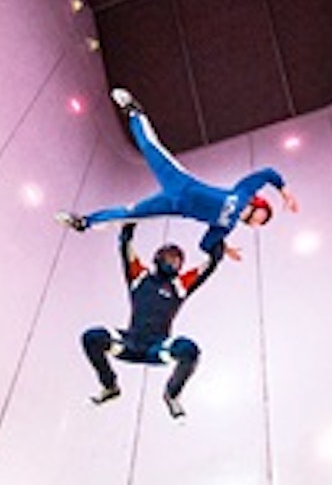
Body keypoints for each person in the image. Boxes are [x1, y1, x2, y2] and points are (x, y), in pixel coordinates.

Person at [57, 88, 298, 260]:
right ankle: (134, 112)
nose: (259, 222)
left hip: (175, 206)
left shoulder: (226, 227)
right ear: (259, 206)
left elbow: (204, 244)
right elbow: (268, 172)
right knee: (151, 148)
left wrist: (224, 249)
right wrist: (286, 194)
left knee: (130, 214)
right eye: (263, 217)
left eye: (261, 224)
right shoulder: (243, 192)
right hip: (181, 183)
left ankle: (84, 222)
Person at [80, 222, 222, 419]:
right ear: (158, 258)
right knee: (91, 337)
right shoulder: (140, 276)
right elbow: (125, 245)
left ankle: (171, 395)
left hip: (158, 346)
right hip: (129, 342)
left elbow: (210, 265)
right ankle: (110, 386)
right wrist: (132, 220)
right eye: (170, 258)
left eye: (178, 260)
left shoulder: (180, 285)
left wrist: (218, 236)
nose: (174, 263)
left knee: (189, 350)